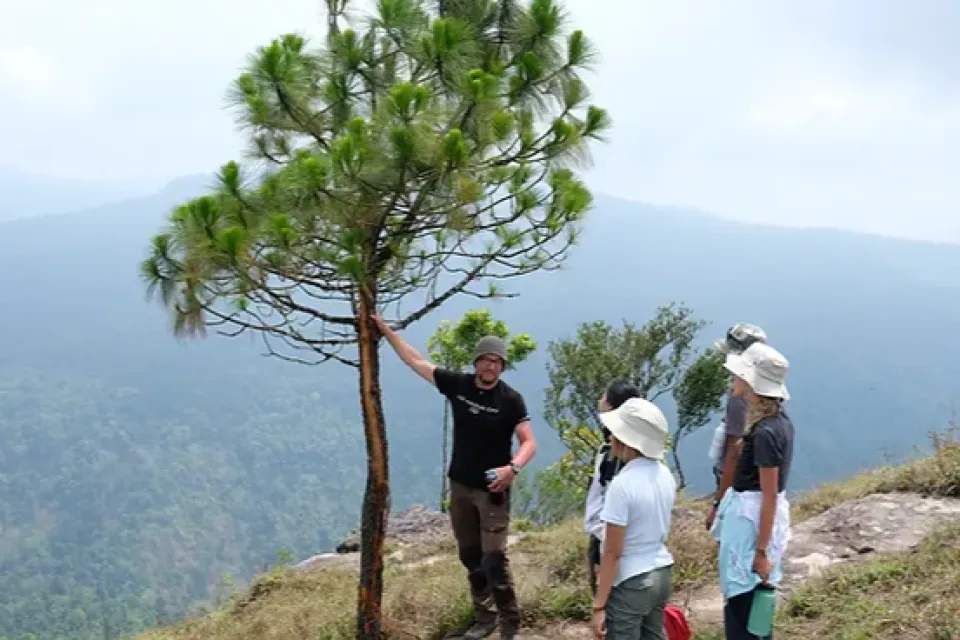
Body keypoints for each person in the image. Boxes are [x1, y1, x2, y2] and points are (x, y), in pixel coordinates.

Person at [373, 315, 535, 640]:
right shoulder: (458, 386)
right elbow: (416, 361)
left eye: (497, 362)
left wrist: (512, 468)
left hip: (492, 491)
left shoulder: (511, 400)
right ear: (476, 362)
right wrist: (387, 332)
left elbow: (529, 441)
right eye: (486, 360)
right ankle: (484, 617)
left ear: (502, 367)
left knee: (495, 558)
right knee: (470, 556)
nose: (490, 367)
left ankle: (510, 623)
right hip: (460, 486)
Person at [711, 342, 794, 640]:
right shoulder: (777, 424)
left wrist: (760, 552)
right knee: (752, 614)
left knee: (743, 610)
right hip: (753, 519)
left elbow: (768, 495)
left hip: (751, 525)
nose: (734, 380)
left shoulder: (766, 433)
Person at [591, 397, 676, 640]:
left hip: (631, 580)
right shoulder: (664, 474)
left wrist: (599, 605)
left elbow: (612, 552)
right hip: (661, 572)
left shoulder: (622, 485)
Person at [706, 323, 768, 531]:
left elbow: (734, 449)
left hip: (736, 479)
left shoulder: (739, 398)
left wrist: (718, 503)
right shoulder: (766, 394)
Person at [584, 380, 642, 593]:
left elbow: (609, 492)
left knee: (607, 592)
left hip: (609, 533)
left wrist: (600, 530)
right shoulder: (637, 448)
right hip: (611, 531)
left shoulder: (617, 454)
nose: (600, 401)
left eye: (604, 397)